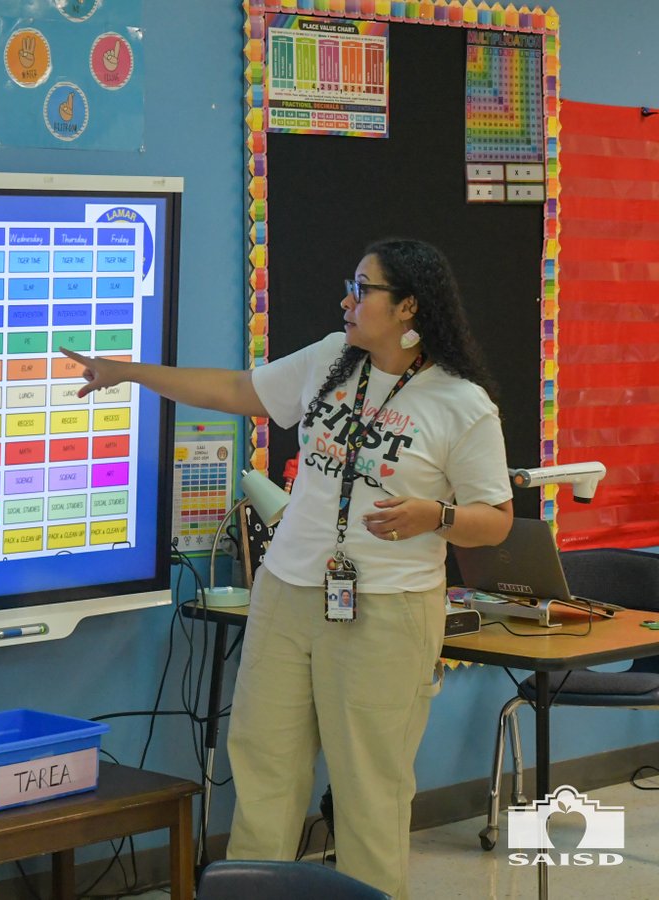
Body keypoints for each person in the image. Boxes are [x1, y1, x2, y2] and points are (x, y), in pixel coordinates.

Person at [63, 238, 513, 899]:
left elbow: (496, 518)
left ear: (409, 305)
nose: (347, 301)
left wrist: (435, 516)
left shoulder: (460, 403)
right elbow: (237, 389)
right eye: (350, 285)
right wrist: (129, 372)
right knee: (265, 772)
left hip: (386, 610)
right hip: (286, 593)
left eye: (363, 290)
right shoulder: (335, 359)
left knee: (368, 788)